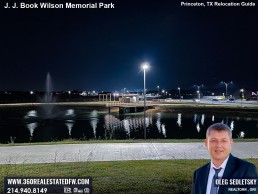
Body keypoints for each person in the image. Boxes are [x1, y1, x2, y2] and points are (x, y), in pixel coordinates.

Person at [191, 123, 258, 194]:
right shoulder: (199, 173)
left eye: (224, 140)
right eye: (214, 140)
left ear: (231, 143)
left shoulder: (246, 170)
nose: (219, 145)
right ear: (206, 143)